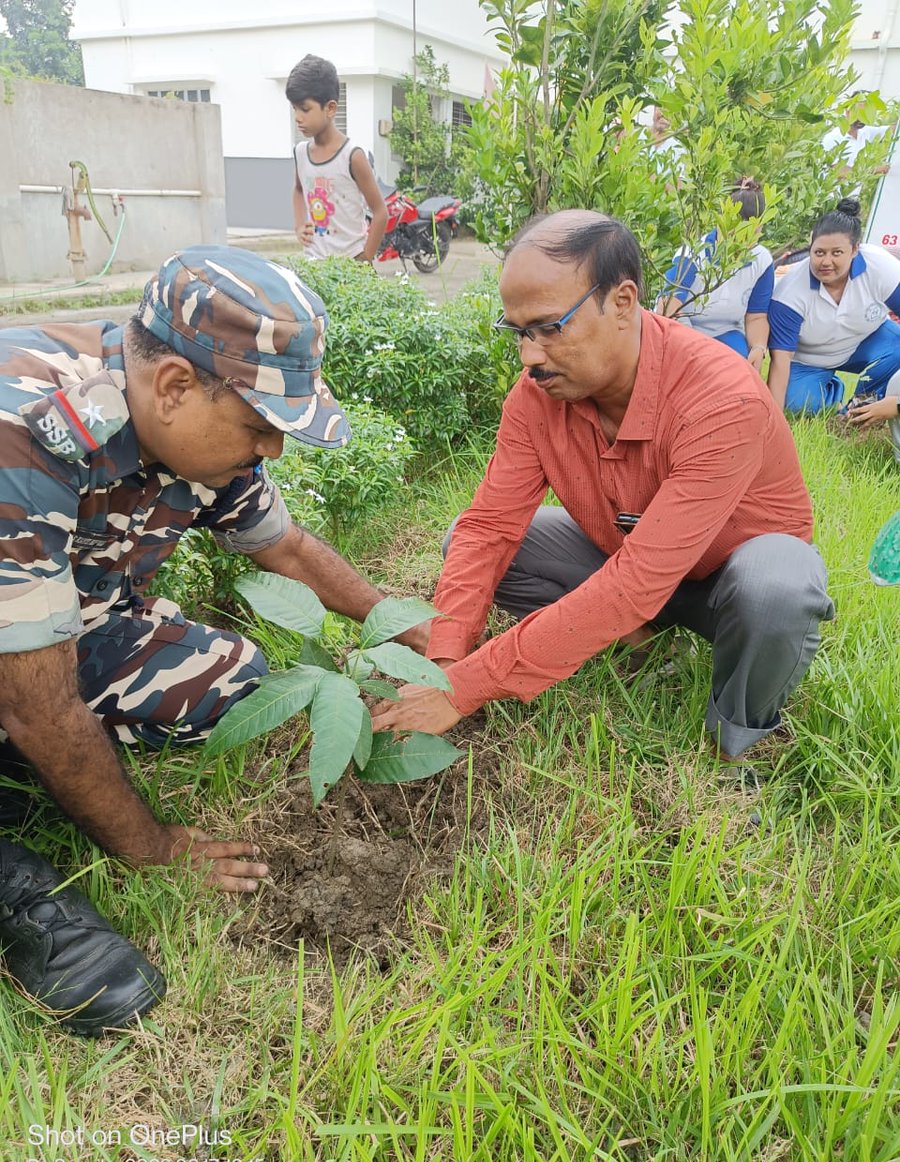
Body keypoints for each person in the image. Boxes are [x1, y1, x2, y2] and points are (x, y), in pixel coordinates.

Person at [0, 244, 426, 1035]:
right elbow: (42, 709)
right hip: (19, 662)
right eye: (262, 426)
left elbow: (288, 549)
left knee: (229, 677)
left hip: (56, 626)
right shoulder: (21, 431)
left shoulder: (196, 425)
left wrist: (411, 629)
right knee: (36, 731)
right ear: (174, 386)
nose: (272, 450)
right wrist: (157, 847)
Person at [371, 210, 834, 767]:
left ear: (622, 302)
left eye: (548, 327)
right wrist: (443, 665)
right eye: (518, 332)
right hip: (628, 559)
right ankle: (634, 639)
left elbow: (639, 579)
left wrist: (470, 685)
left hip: (725, 591)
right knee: (467, 542)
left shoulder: (719, 398)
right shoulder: (536, 396)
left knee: (779, 583)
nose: (529, 357)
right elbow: (490, 527)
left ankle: (733, 742)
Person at [767, 199, 900, 430]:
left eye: (837, 253)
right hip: (811, 359)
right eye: (819, 253)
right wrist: (774, 423)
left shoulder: (880, 267)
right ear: (810, 247)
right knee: (797, 406)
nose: (826, 262)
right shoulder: (787, 294)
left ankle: (860, 410)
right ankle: (831, 389)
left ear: (855, 249)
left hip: (866, 341)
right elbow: (780, 361)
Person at [657, 177, 774, 372]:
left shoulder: (762, 261)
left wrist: (759, 347)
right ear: (722, 221)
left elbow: (756, 316)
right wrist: (699, 349)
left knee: (736, 372)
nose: (743, 240)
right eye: (737, 230)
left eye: (752, 232)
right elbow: (668, 308)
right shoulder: (694, 254)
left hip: (725, 331)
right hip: (685, 329)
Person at [287, 54, 387, 263]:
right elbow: (298, 189)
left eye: (305, 109)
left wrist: (364, 261)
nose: (298, 117)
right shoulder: (301, 153)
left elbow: (380, 212)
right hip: (314, 263)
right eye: (294, 108)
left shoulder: (352, 156)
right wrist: (299, 225)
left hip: (350, 262)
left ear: (330, 108)